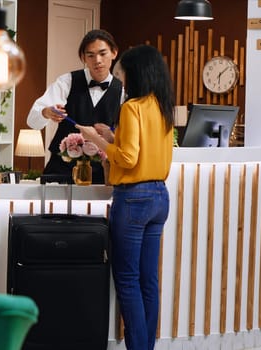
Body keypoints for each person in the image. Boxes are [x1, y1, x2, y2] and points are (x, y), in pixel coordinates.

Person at [76, 45, 175, 350]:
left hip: (133, 198)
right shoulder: (161, 106)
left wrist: (94, 138)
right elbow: (142, 149)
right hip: (160, 196)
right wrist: (112, 136)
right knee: (148, 281)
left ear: (136, 73)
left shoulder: (132, 107)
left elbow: (129, 159)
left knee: (128, 280)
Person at [27, 29, 123, 184]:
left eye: (103, 53)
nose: (97, 60)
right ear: (83, 57)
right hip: (61, 170)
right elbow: (32, 120)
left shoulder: (123, 91)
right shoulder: (67, 81)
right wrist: (46, 112)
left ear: (114, 53)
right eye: (90, 55)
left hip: (102, 174)